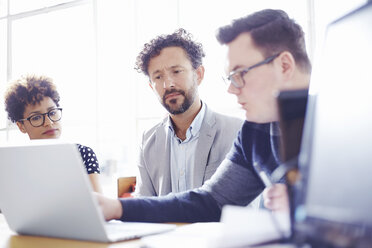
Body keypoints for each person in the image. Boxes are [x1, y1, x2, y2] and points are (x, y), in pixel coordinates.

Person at [97, 8, 311, 223]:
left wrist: (309, 206)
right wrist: (118, 207)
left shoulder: (339, 126)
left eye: (241, 74)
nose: (232, 89)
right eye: (230, 77)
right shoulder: (254, 134)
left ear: (284, 65)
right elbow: (212, 202)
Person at [133, 29, 243, 197]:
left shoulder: (236, 131)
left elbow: (238, 207)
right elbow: (144, 206)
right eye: (158, 77)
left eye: (176, 71)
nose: (167, 84)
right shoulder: (148, 140)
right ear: (151, 86)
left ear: (198, 74)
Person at [4, 75, 102, 193]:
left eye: (52, 112)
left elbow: (99, 207)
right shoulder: (12, 165)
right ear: (21, 126)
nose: (49, 122)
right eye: (36, 117)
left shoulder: (84, 155)